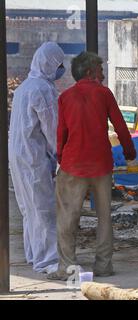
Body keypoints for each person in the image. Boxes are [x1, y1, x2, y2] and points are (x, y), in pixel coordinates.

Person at [47, 52, 138, 280]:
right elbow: (121, 128)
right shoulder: (104, 93)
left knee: (68, 218)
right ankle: (104, 266)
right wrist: (130, 156)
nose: (104, 73)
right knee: (104, 217)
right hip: (101, 166)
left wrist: (61, 159)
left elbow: (62, 134)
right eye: (100, 68)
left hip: (73, 165)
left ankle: (67, 268)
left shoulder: (66, 97)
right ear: (90, 72)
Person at [9, 42, 65, 273]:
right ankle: (49, 261)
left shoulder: (24, 87)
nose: (61, 69)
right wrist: (61, 157)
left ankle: (35, 255)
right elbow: (53, 129)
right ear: (50, 63)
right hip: (34, 158)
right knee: (43, 209)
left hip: (19, 156)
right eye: (59, 65)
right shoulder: (43, 89)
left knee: (29, 210)